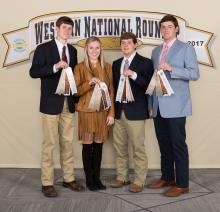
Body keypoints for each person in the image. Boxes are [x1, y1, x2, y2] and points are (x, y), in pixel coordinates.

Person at [29, 16, 84, 197]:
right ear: (56, 28)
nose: (67, 31)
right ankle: (47, 182)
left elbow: (73, 79)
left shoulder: (73, 51)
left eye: (70, 29)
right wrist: (54, 67)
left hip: (68, 104)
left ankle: (68, 179)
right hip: (50, 104)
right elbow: (34, 72)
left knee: (67, 143)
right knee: (49, 144)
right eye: (64, 28)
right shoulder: (43, 48)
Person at [147, 14, 200, 197]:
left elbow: (194, 74)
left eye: (170, 26)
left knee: (178, 145)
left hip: (176, 106)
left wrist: (172, 69)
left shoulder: (186, 49)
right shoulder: (155, 51)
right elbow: (153, 80)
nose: (166, 30)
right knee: (164, 144)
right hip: (158, 106)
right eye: (163, 27)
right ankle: (167, 177)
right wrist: (150, 103)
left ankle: (182, 183)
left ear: (176, 29)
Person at [111, 32, 154, 193]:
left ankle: (139, 180)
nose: (125, 45)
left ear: (135, 44)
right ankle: (122, 177)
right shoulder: (116, 64)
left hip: (136, 112)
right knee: (119, 147)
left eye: (129, 43)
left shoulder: (145, 63)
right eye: (123, 43)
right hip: (119, 112)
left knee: (138, 148)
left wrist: (134, 75)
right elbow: (114, 89)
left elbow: (149, 86)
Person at [74, 36, 115, 191]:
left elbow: (111, 91)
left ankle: (97, 179)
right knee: (87, 145)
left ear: (101, 49)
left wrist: (111, 113)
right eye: (91, 47)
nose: (94, 51)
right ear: (86, 49)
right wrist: (89, 83)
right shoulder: (79, 68)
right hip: (86, 111)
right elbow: (76, 92)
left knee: (99, 145)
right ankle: (89, 180)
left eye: (97, 47)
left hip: (102, 112)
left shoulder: (108, 67)